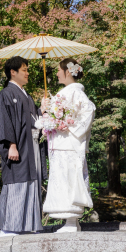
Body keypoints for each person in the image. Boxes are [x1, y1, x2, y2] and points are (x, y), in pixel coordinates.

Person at [38, 58, 95, 233]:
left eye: (58, 70)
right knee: (66, 179)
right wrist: (46, 110)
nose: (56, 73)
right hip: (63, 143)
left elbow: (89, 111)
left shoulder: (73, 92)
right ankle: (72, 222)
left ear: (68, 72)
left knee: (68, 180)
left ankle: (71, 222)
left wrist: (66, 125)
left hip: (68, 144)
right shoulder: (68, 92)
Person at [0, 56, 47, 236]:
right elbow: (5, 120)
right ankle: (10, 226)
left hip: (31, 145)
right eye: (24, 70)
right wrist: (11, 145)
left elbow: (30, 120)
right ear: (13, 72)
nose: (27, 73)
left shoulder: (25, 95)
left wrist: (41, 110)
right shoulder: (7, 93)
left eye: (27, 70)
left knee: (32, 181)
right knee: (18, 180)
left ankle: (28, 225)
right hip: (19, 145)